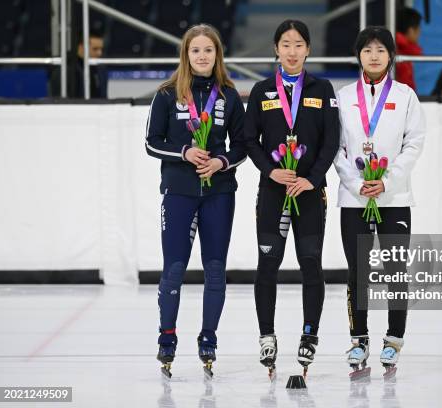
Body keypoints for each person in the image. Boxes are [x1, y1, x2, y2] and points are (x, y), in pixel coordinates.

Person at [145, 24, 246, 378]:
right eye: (195, 50)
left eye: (208, 50)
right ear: (185, 55)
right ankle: (167, 338)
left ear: (217, 55)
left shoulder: (230, 96)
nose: (202, 56)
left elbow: (243, 146)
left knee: (215, 270)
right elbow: (151, 142)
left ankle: (208, 339)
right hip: (179, 194)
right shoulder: (167, 94)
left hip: (219, 193)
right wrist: (185, 152)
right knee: (174, 269)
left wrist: (220, 162)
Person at [244, 19, 340, 378]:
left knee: (311, 263)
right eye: (286, 44)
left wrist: (311, 180)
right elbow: (250, 140)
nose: (292, 51)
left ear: (308, 50)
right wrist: (270, 172)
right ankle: (266, 336)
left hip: (310, 192)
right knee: (267, 264)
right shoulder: (262, 90)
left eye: (299, 44)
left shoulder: (323, 87)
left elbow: (331, 140)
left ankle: (309, 334)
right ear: (276, 49)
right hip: (272, 191)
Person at [334, 26, 425, 374]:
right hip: (354, 197)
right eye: (367, 50)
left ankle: (393, 341)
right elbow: (336, 148)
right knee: (357, 272)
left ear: (391, 56)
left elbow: (413, 144)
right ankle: (359, 341)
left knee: (395, 271)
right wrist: (358, 185)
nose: (374, 56)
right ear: (358, 55)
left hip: (395, 197)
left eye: (381, 50)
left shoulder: (405, 96)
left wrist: (385, 183)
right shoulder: (343, 97)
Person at [395, 7, 423, 90]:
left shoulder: (397, 48)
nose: (420, 32)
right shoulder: (401, 52)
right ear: (411, 30)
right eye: (418, 28)